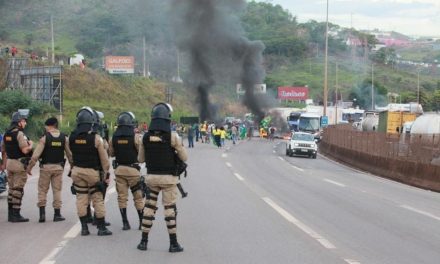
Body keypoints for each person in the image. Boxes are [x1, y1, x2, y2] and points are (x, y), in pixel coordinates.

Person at [137, 102, 187, 252]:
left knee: (149, 208)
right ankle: (173, 244)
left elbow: (140, 159)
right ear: (168, 119)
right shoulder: (173, 136)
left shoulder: (145, 137)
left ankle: (143, 242)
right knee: (169, 210)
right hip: (168, 180)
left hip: (151, 178)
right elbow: (184, 157)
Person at [69, 107, 112, 236]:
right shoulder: (96, 138)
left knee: (81, 199)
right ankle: (101, 228)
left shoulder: (72, 136)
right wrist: (106, 174)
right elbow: (105, 161)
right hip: (92, 173)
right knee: (97, 199)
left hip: (77, 171)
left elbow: (71, 155)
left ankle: (84, 228)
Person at [26, 117, 73, 223]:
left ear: (50, 126)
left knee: (42, 190)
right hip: (58, 168)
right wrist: (72, 166)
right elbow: (70, 155)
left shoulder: (44, 138)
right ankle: (57, 215)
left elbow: (35, 156)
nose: (45, 128)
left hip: (45, 169)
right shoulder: (63, 138)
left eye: (46, 126)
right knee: (57, 190)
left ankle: (42, 215)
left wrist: (29, 168)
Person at [108, 111, 144, 231]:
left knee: (122, 197)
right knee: (138, 197)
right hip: (133, 171)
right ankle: (141, 222)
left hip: (119, 170)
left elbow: (111, 153)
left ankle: (125, 223)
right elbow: (141, 153)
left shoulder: (114, 137)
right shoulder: (135, 137)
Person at [1, 110, 33, 222]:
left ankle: (10, 214)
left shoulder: (6, 134)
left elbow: (3, 150)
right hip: (19, 164)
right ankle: (16, 214)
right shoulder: (20, 134)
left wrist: (3, 165)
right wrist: (31, 145)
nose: (25, 123)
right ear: (19, 122)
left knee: (11, 189)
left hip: (9, 163)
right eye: (24, 121)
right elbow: (25, 150)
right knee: (18, 189)